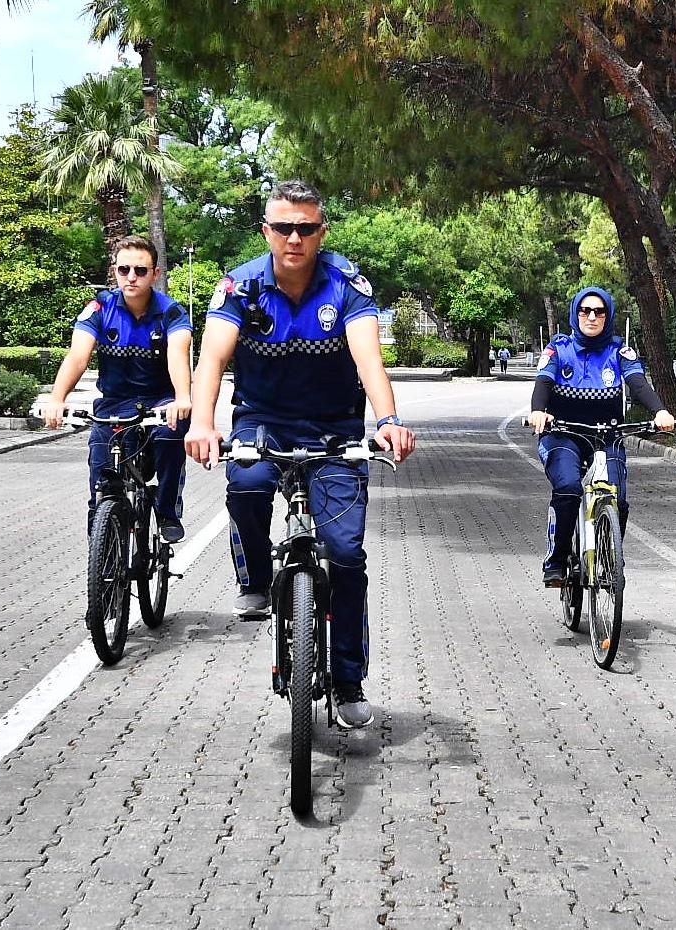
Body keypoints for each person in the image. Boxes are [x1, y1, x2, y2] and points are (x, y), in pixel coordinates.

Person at [184, 179, 416, 730]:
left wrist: (387, 421)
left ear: (321, 231)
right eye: (283, 227)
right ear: (266, 231)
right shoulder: (238, 287)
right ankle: (256, 581)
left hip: (335, 431)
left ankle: (349, 679)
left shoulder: (346, 285)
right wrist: (200, 422)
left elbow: (368, 363)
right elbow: (212, 361)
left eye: (305, 228)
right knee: (246, 486)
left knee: (346, 554)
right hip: (261, 422)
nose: (294, 237)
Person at [41, 235, 193, 544]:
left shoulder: (172, 313)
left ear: (155, 274)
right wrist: (57, 398)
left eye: (140, 270)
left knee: (172, 437)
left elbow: (178, 356)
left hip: (159, 404)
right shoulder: (99, 308)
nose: (132, 277)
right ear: (115, 271)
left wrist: (182, 399)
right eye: (124, 270)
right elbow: (78, 356)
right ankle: (102, 546)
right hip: (113, 405)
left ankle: (166, 511)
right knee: (101, 480)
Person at [528, 286, 676, 587]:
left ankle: (610, 559)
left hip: (607, 435)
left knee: (617, 499)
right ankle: (555, 561)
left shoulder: (620, 352)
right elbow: (543, 383)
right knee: (569, 488)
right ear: (575, 314)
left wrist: (660, 411)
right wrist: (538, 411)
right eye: (585, 310)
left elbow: (637, 384)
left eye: (599, 311)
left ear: (608, 316)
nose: (592, 317)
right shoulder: (559, 349)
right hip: (563, 435)